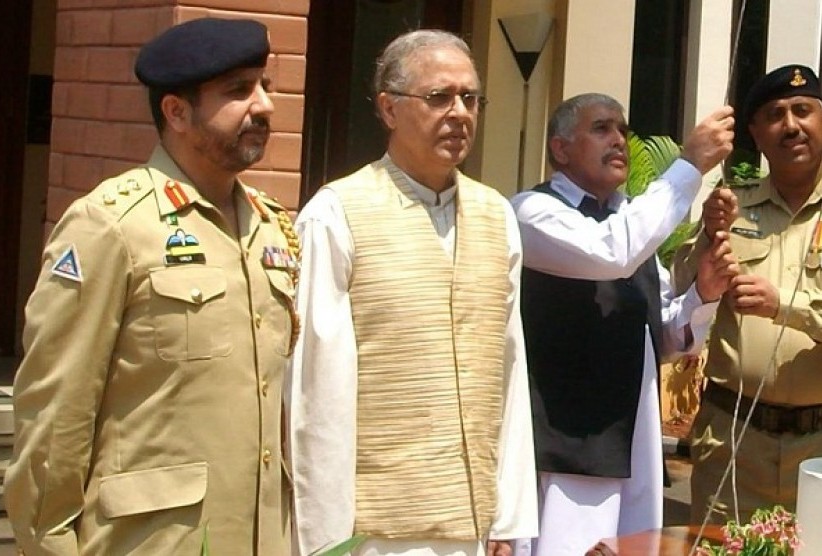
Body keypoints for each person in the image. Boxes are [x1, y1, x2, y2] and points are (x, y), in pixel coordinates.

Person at [4, 18, 298, 555]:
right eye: (238, 90)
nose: (264, 106)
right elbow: (55, 412)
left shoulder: (270, 226)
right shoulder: (110, 225)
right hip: (150, 542)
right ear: (176, 111)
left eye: (265, 86)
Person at [288, 29, 537, 556]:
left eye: (470, 98)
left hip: (474, 526)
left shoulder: (497, 216)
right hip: (376, 531)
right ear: (389, 109)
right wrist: (325, 541)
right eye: (439, 97)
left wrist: (509, 517)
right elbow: (316, 392)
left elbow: (509, 369)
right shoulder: (337, 215)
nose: (460, 113)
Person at [511, 93, 736, 555]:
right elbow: (609, 253)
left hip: (635, 443)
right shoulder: (533, 212)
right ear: (560, 148)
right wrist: (689, 164)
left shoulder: (629, 220)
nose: (619, 140)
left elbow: (666, 338)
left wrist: (703, 294)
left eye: (623, 130)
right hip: (569, 447)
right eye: (601, 129)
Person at [673, 64, 822, 525]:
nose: (791, 125)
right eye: (775, 114)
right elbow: (678, 286)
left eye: (804, 110)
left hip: (817, 451)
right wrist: (709, 234)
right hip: (734, 443)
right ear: (756, 134)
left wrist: (785, 307)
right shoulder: (733, 204)